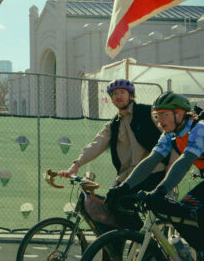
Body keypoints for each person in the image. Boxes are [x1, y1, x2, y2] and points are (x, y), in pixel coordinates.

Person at [108, 92, 204, 261]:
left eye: (163, 115)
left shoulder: (200, 129)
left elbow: (185, 161)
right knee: (183, 213)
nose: (158, 121)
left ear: (179, 114)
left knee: (195, 212)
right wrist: (124, 188)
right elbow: (151, 160)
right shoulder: (169, 134)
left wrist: (160, 190)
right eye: (155, 116)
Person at [59, 79, 164, 214]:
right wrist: (76, 164)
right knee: (110, 202)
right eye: (114, 93)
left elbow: (167, 132)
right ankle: (133, 234)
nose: (118, 96)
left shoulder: (147, 112)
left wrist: (171, 161)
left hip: (152, 170)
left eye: (122, 92)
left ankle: (137, 234)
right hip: (127, 174)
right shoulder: (113, 125)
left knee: (123, 201)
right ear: (111, 99)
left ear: (131, 95)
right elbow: (96, 144)